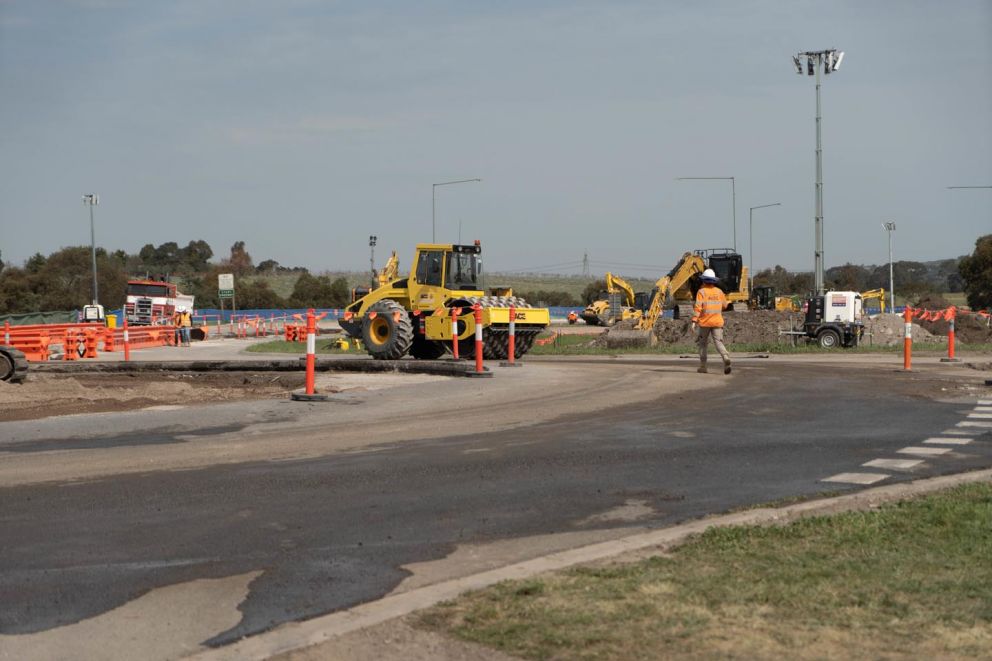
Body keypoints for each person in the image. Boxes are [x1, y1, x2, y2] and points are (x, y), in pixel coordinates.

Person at [691, 269, 732, 375]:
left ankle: (703, 367)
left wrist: (694, 321)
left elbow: (698, 307)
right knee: (719, 342)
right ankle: (725, 357)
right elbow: (725, 306)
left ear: (703, 280)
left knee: (703, 344)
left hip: (704, 323)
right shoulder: (719, 292)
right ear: (714, 281)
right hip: (717, 322)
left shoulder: (701, 292)